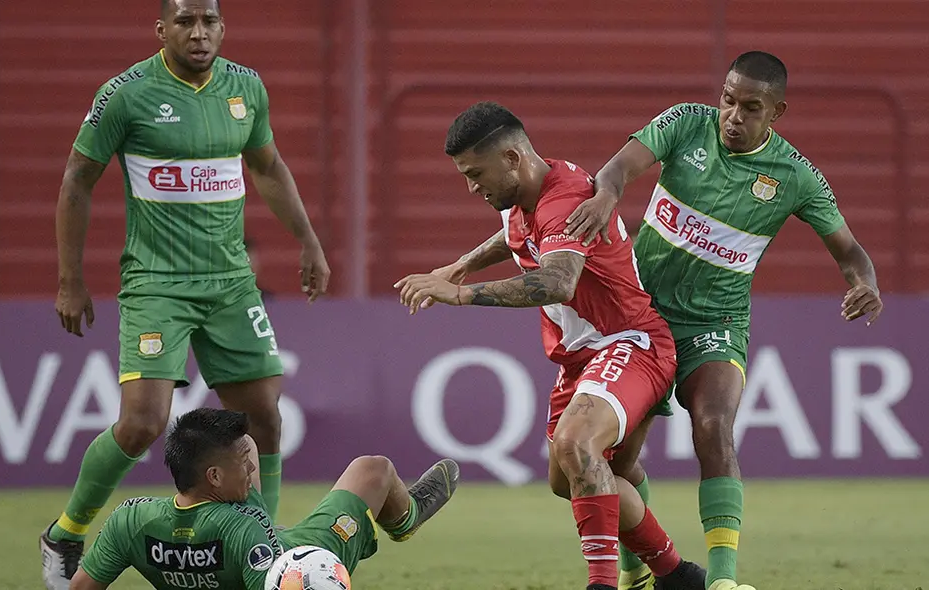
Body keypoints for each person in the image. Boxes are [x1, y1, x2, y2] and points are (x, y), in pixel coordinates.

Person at [562, 51, 884, 590]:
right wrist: (605, 196)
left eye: (751, 107)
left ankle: (723, 581)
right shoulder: (686, 123)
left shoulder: (796, 177)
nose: (733, 115)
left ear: (777, 112)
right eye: (728, 99)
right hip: (640, 315)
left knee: (713, 426)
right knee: (617, 460)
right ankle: (637, 565)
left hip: (717, 320)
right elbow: (617, 168)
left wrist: (864, 283)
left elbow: (850, 250)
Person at [43, 1, 332, 588]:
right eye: (185, 22)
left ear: (222, 27)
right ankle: (67, 532)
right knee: (143, 424)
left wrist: (308, 240)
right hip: (157, 284)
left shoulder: (246, 87)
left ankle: (262, 549)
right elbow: (78, 177)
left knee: (264, 421)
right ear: (162, 29)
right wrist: (70, 279)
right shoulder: (126, 95)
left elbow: (269, 166)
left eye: (208, 21)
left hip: (230, 285)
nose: (198, 33)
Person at [394, 102, 705, 590]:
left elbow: (559, 281)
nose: (472, 187)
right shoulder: (529, 195)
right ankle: (676, 574)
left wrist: (460, 293)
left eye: (476, 174)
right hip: (581, 358)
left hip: (631, 342)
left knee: (575, 444)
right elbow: (514, 235)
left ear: (514, 158)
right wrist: (462, 264)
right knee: (571, 478)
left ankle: (603, 584)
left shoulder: (564, 198)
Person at [68, 408, 460, 590]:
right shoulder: (244, 527)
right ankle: (405, 519)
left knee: (248, 442)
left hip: (234, 531)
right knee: (373, 469)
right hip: (293, 550)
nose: (254, 470)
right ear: (215, 477)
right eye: (244, 465)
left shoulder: (129, 519)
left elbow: (82, 588)